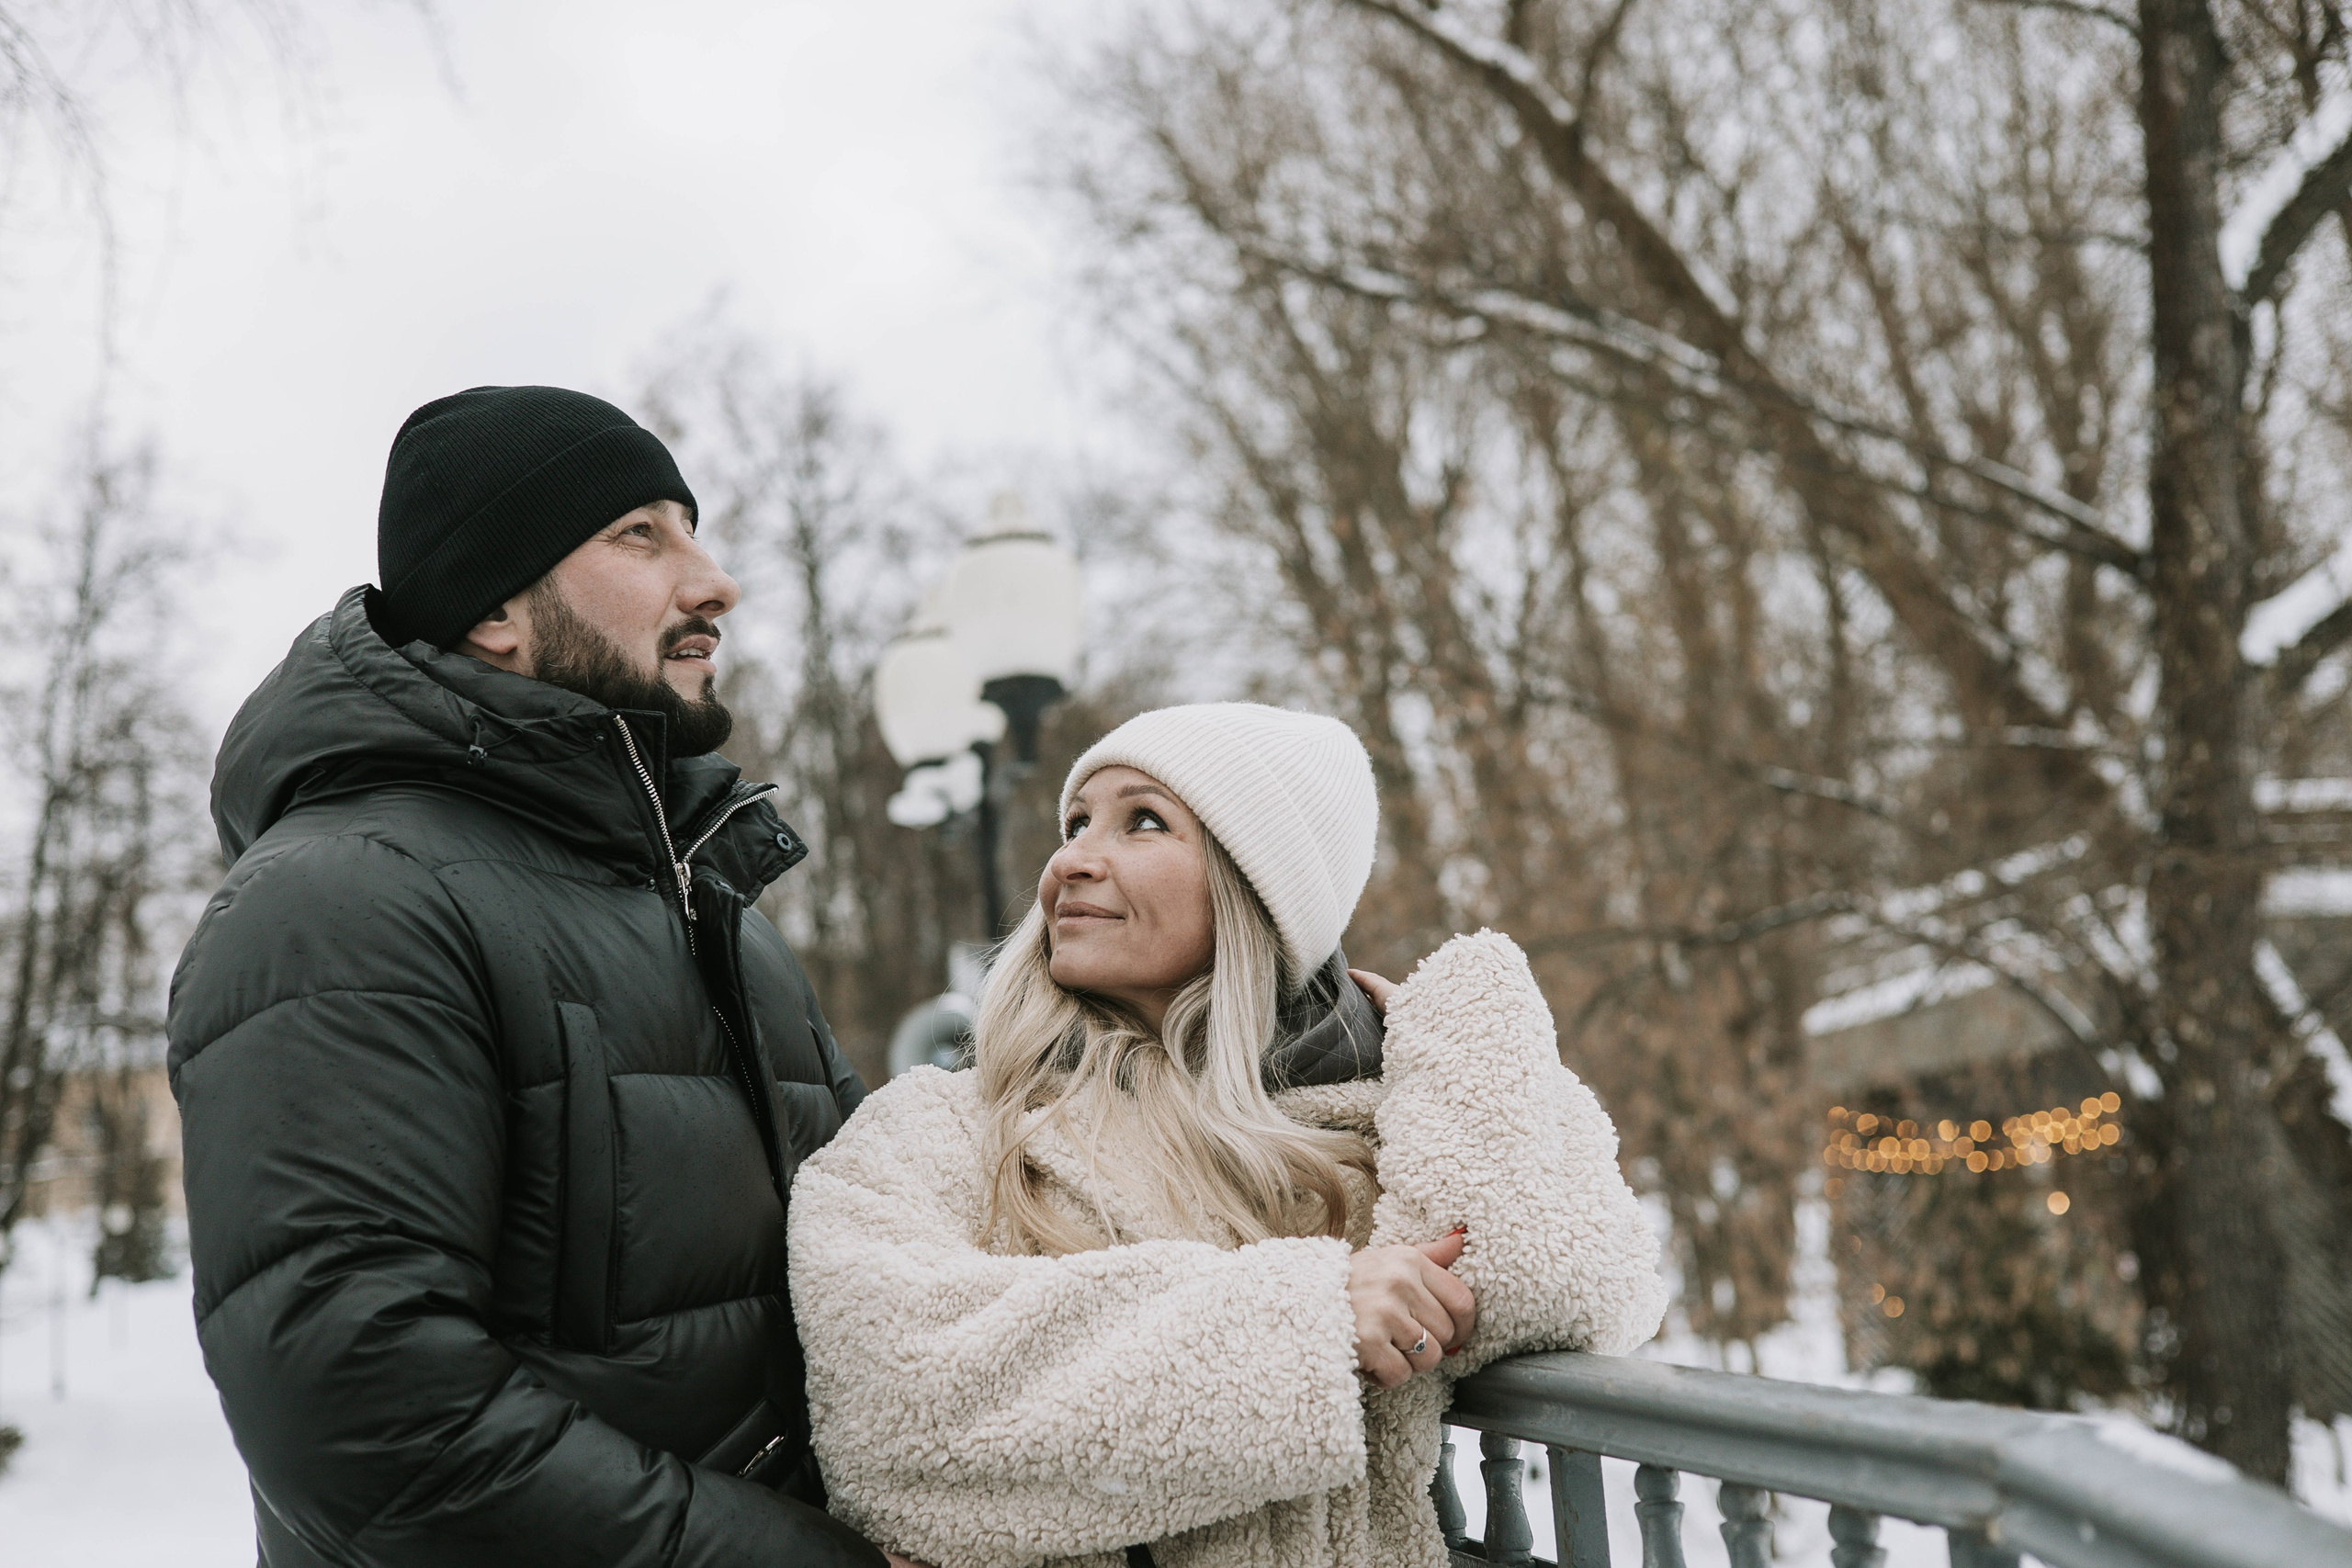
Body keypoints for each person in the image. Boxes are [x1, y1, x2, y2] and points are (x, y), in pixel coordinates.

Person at [168, 387, 887, 1565]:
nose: (713, 581)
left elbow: (880, 1250)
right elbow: (364, 1408)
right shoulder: (344, 901)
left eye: (690, 529)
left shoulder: (714, 911)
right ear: (496, 606)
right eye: (639, 535)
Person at [788, 702, 1668, 1568]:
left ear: (1260, 887)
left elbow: (1567, 1279)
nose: (1071, 860)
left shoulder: (1380, 1118)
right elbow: (888, 1405)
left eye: (1142, 821)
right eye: (1076, 821)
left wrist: (1462, 1020)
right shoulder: (940, 1126)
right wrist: (1305, 1323)